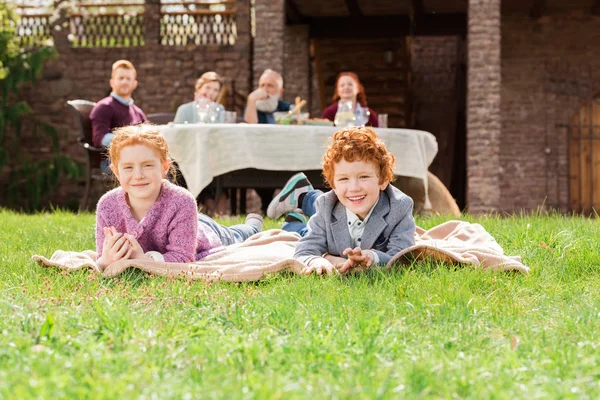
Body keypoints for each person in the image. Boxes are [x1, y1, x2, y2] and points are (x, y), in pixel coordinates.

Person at [95, 123, 263, 270]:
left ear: (164, 167)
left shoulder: (182, 201)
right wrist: (105, 260)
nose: (138, 175)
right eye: (128, 167)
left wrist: (144, 260)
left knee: (238, 236)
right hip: (188, 220)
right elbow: (103, 257)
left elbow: (184, 258)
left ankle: (253, 224)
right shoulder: (107, 205)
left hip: (205, 233)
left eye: (147, 165)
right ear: (116, 171)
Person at [266, 126, 415, 275]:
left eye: (363, 177)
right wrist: (318, 261)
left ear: (382, 180)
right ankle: (293, 223)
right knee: (302, 234)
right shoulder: (326, 205)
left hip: (346, 243)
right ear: (334, 187)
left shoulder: (399, 207)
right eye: (344, 179)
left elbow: (401, 256)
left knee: (304, 230)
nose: (354, 187)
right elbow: (305, 249)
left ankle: (294, 221)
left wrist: (372, 256)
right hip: (324, 230)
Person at [90, 60, 147, 152]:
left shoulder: (138, 112)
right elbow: (99, 139)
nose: (124, 82)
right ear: (112, 82)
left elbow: (150, 136)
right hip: (113, 161)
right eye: (121, 78)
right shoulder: (104, 107)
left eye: (128, 79)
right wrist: (131, 138)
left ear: (134, 84)